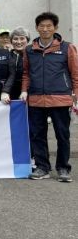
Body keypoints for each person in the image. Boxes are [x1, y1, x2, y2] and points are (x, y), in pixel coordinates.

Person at [22, 12, 78, 182]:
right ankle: (42, 167)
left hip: (60, 99)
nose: (45, 29)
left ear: (55, 28)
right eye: (42, 26)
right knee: (37, 135)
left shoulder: (67, 48)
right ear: (37, 27)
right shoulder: (29, 50)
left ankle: (63, 168)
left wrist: (75, 95)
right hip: (36, 99)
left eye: (49, 26)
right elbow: (26, 73)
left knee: (62, 135)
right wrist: (24, 90)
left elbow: (75, 74)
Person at [1, 27, 30, 103]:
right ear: (11, 41)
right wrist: (5, 91)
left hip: (28, 92)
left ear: (27, 40)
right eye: (15, 39)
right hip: (8, 93)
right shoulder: (6, 56)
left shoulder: (32, 55)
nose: (19, 42)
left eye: (22, 38)